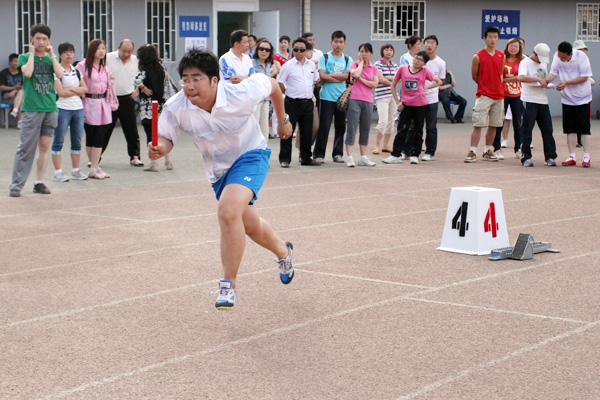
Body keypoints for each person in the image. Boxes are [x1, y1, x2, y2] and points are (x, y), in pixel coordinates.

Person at [148, 50, 294, 310]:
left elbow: (272, 85)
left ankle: (228, 285)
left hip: (251, 154)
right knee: (249, 225)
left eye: (196, 79)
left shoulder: (241, 93)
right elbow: (167, 139)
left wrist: (282, 120)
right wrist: (160, 148)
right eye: (185, 79)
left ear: (215, 80)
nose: (189, 86)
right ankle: (283, 252)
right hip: (219, 171)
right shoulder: (175, 106)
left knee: (228, 212)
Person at [9, 23, 63, 197]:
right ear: (32, 39)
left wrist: (53, 55)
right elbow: (28, 74)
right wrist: (32, 54)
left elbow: (61, 75)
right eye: (38, 38)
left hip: (50, 107)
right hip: (32, 109)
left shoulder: (50, 58)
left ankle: (38, 182)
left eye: (44, 39)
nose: (41, 41)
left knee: (45, 146)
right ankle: (16, 185)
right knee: (25, 147)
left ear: (49, 40)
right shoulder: (24, 57)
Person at [383, 51, 442, 165]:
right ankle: (396, 155)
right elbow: (393, 84)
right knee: (402, 129)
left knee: (418, 130)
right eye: (416, 58)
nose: (416, 61)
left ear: (424, 63)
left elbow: (439, 81)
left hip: (420, 104)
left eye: (420, 60)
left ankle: (415, 154)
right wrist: (397, 101)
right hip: (405, 104)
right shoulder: (403, 69)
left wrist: (425, 88)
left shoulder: (425, 72)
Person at [547, 41, 593, 168]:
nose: (561, 58)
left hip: (583, 97)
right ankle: (571, 156)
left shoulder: (581, 57)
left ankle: (586, 156)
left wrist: (566, 83)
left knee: (584, 128)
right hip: (567, 98)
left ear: (570, 54)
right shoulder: (557, 56)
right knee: (569, 129)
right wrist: (545, 81)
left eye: (564, 57)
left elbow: (584, 77)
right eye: (560, 56)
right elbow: (553, 73)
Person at [277, 37, 320, 167]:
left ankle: (306, 157)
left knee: (307, 132)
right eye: (296, 49)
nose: (298, 52)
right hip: (292, 102)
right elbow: (279, 82)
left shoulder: (311, 65)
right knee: (287, 131)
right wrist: (287, 92)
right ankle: (285, 159)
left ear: (307, 50)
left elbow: (315, 80)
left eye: (302, 49)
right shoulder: (287, 66)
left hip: (307, 102)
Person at [464, 26, 505, 163]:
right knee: (478, 124)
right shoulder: (478, 56)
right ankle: (472, 150)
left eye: (495, 37)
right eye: (490, 37)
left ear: (498, 39)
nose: (493, 39)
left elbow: (500, 75)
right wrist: (484, 85)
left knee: (494, 124)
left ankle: (488, 150)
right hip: (484, 95)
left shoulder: (502, 55)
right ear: (485, 38)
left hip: (499, 95)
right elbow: (474, 76)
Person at [313, 30, 353, 164]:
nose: (338, 44)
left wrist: (331, 77)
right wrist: (339, 77)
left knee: (341, 126)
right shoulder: (324, 57)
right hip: (326, 97)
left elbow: (348, 76)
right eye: (336, 41)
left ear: (344, 43)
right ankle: (318, 154)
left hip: (342, 97)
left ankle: (338, 153)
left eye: (341, 42)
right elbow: (322, 76)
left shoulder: (348, 59)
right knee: (324, 126)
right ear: (331, 42)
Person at [51, 42, 88, 182]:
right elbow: (60, 92)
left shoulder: (77, 71)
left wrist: (70, 89)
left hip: (78, 109)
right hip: (62, 108)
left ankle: (75, 171)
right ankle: (58, 172)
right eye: (66, 52)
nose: (69, 54)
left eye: (71, 52)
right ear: (60, 54)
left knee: (77, 141)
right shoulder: (56, 71)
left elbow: (85, 89)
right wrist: (76, 90)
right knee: (58, 140)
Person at [76, 39, 113, 179]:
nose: (102, 51)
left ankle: (95, 167)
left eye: (104, 48)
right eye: (99, 48)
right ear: (92, 50)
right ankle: (93, 167)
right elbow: (77, 82)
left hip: (103, 102)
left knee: (100, 136)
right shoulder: (82, 65)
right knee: (91, 136)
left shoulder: (105, 67)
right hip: (89, 102)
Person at [134, 44, 174, 172]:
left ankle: (153, 163)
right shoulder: (162, 68)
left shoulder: (144, 70)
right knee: (163, 134)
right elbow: (168, 85)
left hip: (148, 106)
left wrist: (143, 88)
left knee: (150, 134)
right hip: (161, 105)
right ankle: (168, 161)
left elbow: (136, 80)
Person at [104, 39, 144, 166]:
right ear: (118, 48)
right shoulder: (108, 57)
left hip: (128, 98)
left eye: (129, 51)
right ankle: (96, 157)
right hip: (110, 98)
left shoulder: (136, 60)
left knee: (131, 129)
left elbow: (142, 77)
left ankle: (135, 156)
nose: (126, 54)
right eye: (124, 51)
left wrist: (137, 90)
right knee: (105, 129)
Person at [517, 43, 557, 167]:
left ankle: (550, 156)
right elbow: (521, 77)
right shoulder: (525, 62)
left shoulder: (543, 63)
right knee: (527, 129)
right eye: (539, 58)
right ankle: (526, 156)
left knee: (547, 129)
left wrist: (550, 84)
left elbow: (543, 79)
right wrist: (537, 80)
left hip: (542, 100)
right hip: (529, 99)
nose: (541, 61)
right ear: (534, 53)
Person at [345, 42, 379, 167]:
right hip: (354, 98)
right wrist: (360, 63)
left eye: (366, 51)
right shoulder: (354, 64)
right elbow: (355, 74)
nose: (363, 54)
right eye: (361, 51)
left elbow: (375, 84)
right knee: (352, 128)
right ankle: (349, 157)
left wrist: (362, 80)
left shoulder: (374, 68)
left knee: (365, 128)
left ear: (371, 53)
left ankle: (363, 157)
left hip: (368, 100)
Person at [493, 38, 525, 160]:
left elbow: (521, 77)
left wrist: (506, 80)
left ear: (520, 48)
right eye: (511, 45)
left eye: (516, 46)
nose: (513, 48)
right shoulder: (502, 58)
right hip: (503, 93)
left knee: (517, 122)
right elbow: (497, 75)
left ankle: (518, 148)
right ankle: (496, 148)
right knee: (499, 121)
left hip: (517, 94)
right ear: (507, 46)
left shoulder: (522, 60)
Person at [421, 35, 446, 162]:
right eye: (427, 43)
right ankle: (412, 150)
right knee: (415, 125)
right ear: (423, 45)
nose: (430, 45)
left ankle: (430, 152)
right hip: (416, 99)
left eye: (432, 43)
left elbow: (441, 80)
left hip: (432, 99)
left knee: (431, 126)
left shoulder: (440, 63)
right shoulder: (418, 60)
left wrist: (427, 88)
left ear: (436, 46)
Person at [373, 43, 398, 155]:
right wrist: (391, 80)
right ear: (382, 51)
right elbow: (380, 79)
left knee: (391, 122)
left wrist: (387, 78)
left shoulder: (395, 65)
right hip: (381, 96)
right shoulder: (377, 64)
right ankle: (377, 146)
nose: (389, 52)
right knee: (382, 121)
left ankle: (385, 145)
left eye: (391, 50)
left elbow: (399, 79)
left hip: (393, 96)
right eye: (386, 49)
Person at [252, 38, 277, 142]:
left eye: (267, 50)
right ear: (257, 50)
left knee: (264, 130)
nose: (264, 52)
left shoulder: (268, 65)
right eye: (261, 49)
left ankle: (263, 154)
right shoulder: (251, 63)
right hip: (255, 100)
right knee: (254, 128)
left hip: (266, 100)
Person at [572, 40, 595, 148]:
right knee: (574, 119)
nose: (582, 52)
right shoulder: (570, 62)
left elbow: (591, 80)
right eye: (579, 50)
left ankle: (582, 139)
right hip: (572, 97)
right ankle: (578, 139)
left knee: (585, 119)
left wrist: (588, 81)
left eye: (583, 50)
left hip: (585, 97)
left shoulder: (585, 62)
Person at [0, 53, 24, 127]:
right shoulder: (3, 73)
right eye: (15, 61)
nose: (16, 63)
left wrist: (15, 90)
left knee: (21, 96)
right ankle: (19, 122)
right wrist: (14, 88)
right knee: (22, 97)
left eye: (18, 61)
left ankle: (15, 110)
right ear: (10, 62)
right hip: (7, 96)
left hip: (18, 95)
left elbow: (25, 86)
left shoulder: (22, 73)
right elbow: (1, 87)